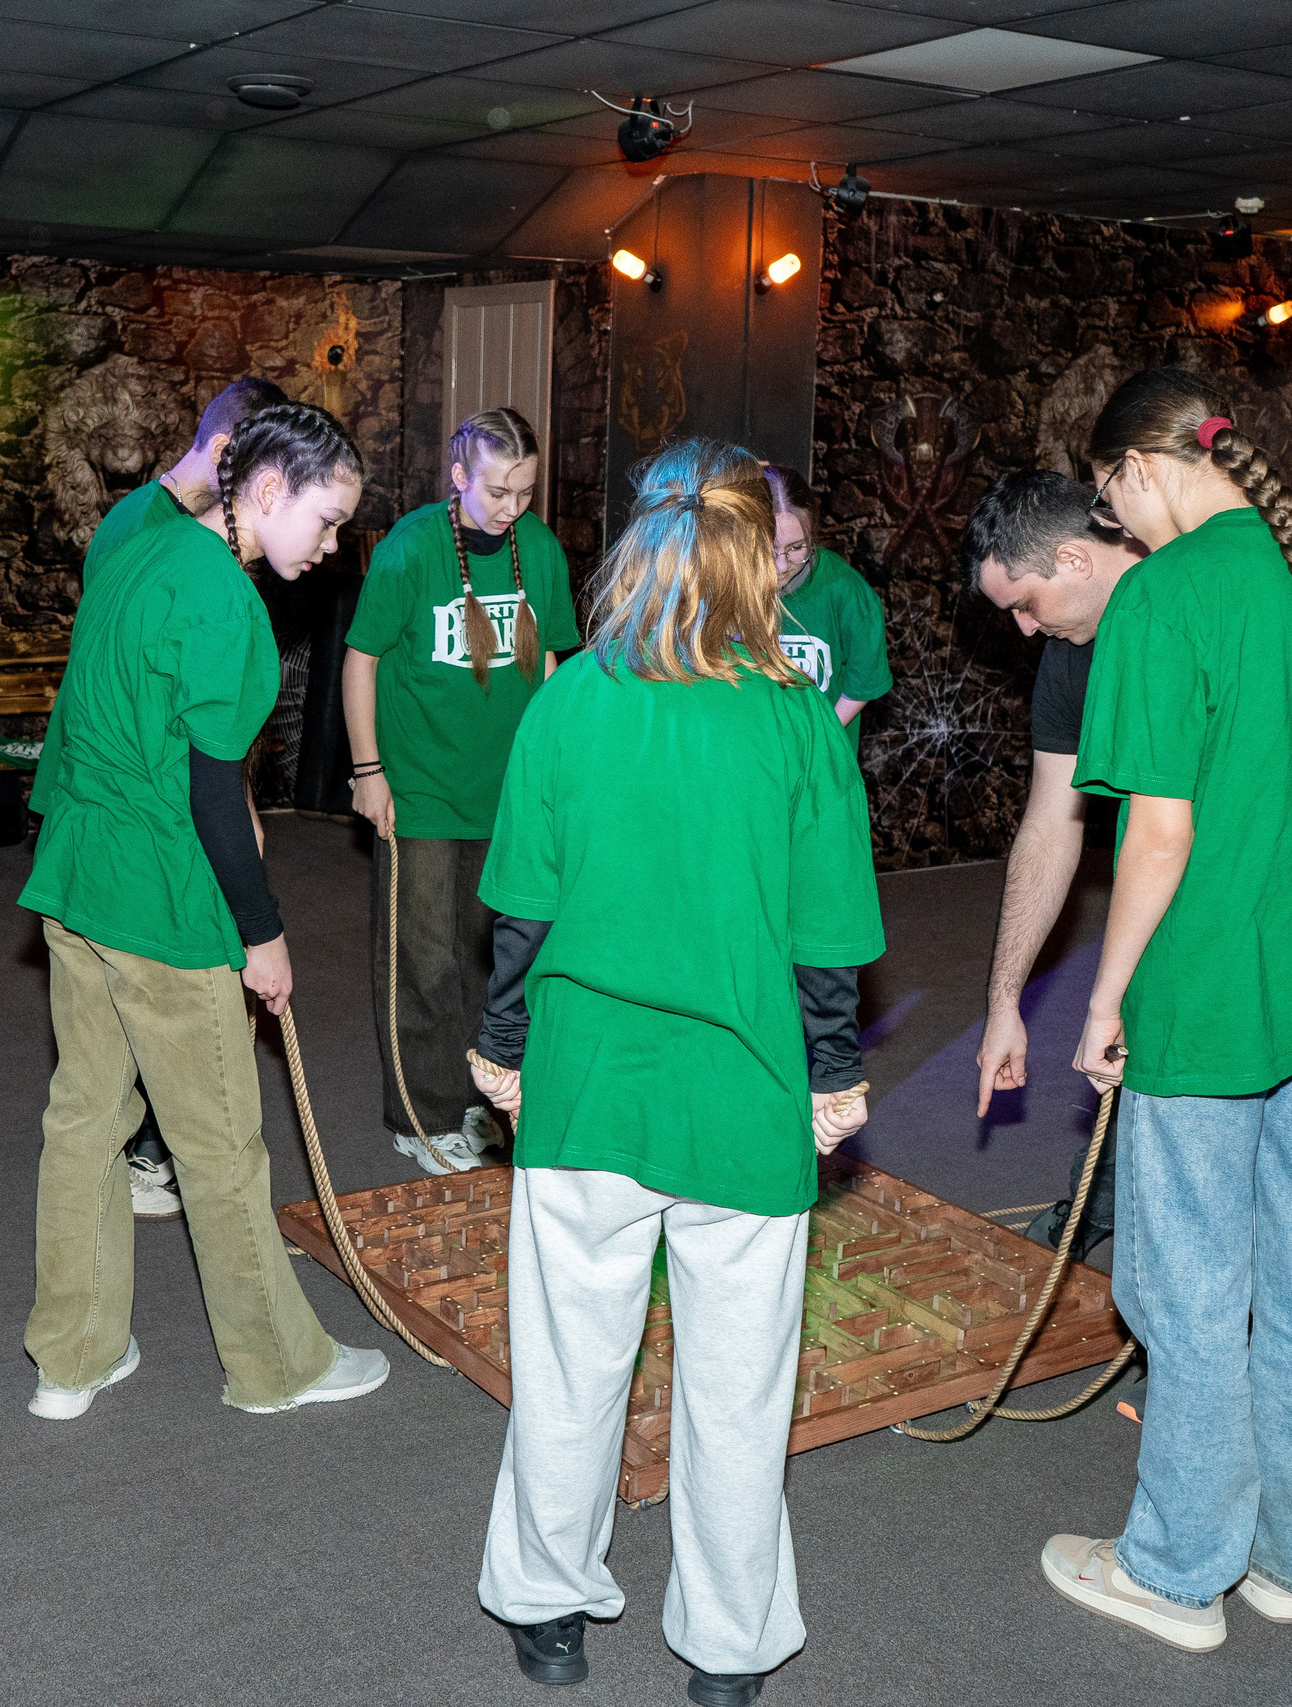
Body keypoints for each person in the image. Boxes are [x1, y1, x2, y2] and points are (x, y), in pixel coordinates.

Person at [464, 440, 884, 1706]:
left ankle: (546, 1605)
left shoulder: (568, 702)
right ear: (762, 556)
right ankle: (727, 1650)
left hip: (588, 1088)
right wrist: (833, 1076)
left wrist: (499, 1047)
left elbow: (520, 917)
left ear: (629, 548)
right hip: (744, 1099)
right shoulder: (798, 723)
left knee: (567, 1368)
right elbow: (827, 941)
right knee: (739, 1394)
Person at [1037, 370, 1292, 1652]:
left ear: (1138, 473)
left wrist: (1102, 999)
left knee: (1189, 1281)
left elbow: (1155, 835)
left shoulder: (1162, 595)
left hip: (1210, 988)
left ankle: (1177, 1568)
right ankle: (1289, 1559)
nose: (1117, 529)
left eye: (1109, 500)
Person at [963, 469, 1292, 1257]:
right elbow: (1050, 827)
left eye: (1023, 603)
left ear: (1073, 558)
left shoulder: (1264, 565)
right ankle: (1116, 1227)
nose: (1023, 630)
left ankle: (1231, 1307)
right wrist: (1004, 998)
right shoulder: (1073, 657)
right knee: (1187, 1094)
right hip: (1209, 891)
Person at [16, 402, 389, 1422]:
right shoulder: (227, 607)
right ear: (266, 492)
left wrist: (210, 455)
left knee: (85, 1121)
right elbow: (215, 795)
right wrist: (261, 937)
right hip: (164, 910)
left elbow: (164, 495)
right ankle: (278, 1367)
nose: (329, 547)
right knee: (220, 1147)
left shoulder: (136, 538)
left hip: (75, 881)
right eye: (323, 520)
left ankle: (72, 1359)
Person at [36, 376, 289, 1221]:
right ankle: (158, 1153)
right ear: (233, 459)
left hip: (145, 810)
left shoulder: (194, 542)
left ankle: (155, 1146)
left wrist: (235, 798)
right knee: (177, 1031)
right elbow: (122, 699)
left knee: (105, 1074)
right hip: (137, 823)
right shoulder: (143, 530)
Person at [342, 407, 581, 1175]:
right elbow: (361, 662)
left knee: (495, 957)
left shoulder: (538, 550)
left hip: (508, 794)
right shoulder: (410, 549)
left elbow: (551, 673)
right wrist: (368, 771)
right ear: (457, 477)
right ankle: (422, 1112)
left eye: (526, 492)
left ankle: (485, 1099)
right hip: (420, 792)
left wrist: (555, 780)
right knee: (424, 959)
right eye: (498, 491)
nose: (513, 507)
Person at [760, 462, 889, 752]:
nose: (782, 565)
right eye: (769, 549)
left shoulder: (846, 591)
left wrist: (818, 738)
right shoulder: (729, 586)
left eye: (797, 548)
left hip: (820, 765)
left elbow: (862, 683)